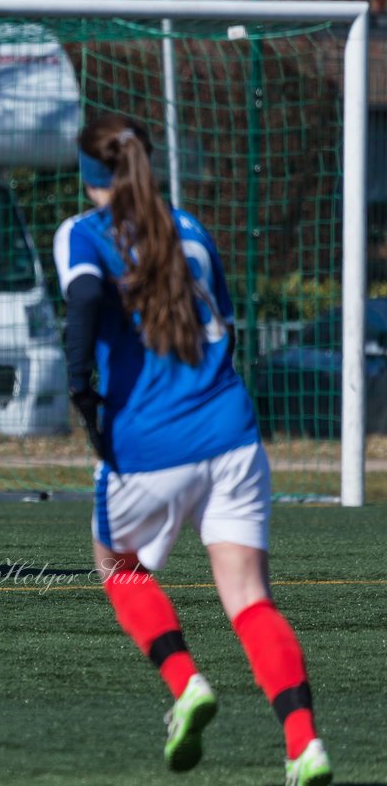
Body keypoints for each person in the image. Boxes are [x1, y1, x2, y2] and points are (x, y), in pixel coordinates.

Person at [53, 114, 331, 786]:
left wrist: (81, 391)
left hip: (151, 442)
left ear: (90, 178)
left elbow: (86, 297)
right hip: (233, 434)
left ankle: (186, 687)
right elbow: (226, 329)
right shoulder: (196, 229)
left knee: (118, 567)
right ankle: (303, 745)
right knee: (249, 598)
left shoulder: (84, 232)